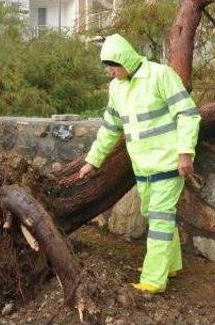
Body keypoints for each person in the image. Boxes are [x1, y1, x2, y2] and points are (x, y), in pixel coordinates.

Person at [79, 33, 201, 294]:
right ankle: (171, 265)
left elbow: (188, 115)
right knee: (157, 217)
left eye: (112, 66)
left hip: (167, 163)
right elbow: (110, 128)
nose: (109, 72)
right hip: (143, 168)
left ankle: (153, 280)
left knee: (159, 221)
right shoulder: (117, 88)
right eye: (107, 67)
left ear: (124, 60)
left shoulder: (161, 75)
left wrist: (185, 153)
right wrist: (93, 160)